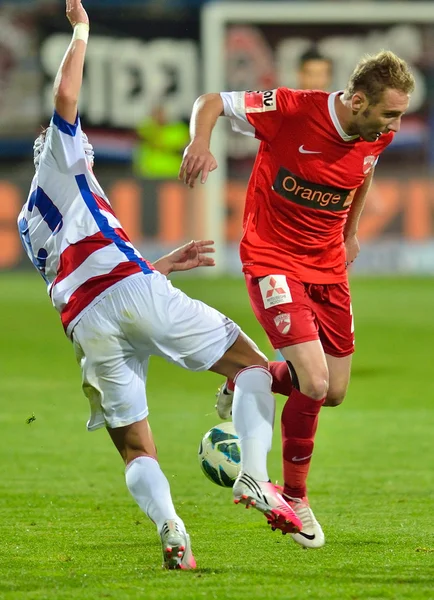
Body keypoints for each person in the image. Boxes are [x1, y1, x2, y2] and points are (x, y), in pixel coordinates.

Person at [17, 0, 302, 571]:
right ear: (52, 145)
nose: (87, 148)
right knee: (256, 368)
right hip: (130, 295)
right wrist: (81, 30)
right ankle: (253, 471)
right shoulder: (60, 156)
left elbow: (88, 274)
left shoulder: (28, 220)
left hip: (89, 326)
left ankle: (171, 525)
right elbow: (66, 101)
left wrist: (159, 266)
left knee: (134, 449)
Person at [179, 50, 415, 549]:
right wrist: (198, 141)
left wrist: (350, 232)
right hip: (273, 258)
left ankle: (251, 377)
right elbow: (211, 100)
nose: (397, 123)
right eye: (390, 112)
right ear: (357, 100)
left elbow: (364, 171)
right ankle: (292, 495)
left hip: (327, 265)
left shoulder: (378, 134)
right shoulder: (289, 109)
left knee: (333, 391)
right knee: (314, 379)